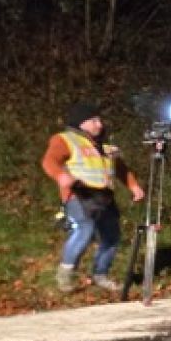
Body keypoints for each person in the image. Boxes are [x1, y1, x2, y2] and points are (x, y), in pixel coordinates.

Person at [42, 102, 144, 292]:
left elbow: (121, 169)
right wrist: (61, 176)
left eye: (99, 120)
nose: (100, 124)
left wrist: (134, 186)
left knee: (112, 237)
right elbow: (49, 161)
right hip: (78, 194)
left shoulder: (105, 146)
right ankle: (65, 274)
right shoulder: (64, 140)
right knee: (85, 229)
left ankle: (100, 275)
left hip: (104, 197)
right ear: (81, 123)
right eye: (94, 120)